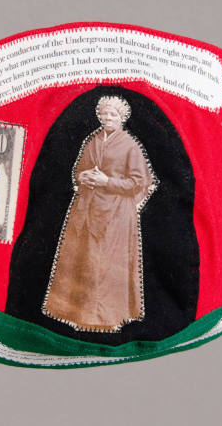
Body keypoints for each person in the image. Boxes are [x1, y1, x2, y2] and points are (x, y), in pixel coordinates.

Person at [42, 96, 157, 332]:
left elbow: (138, 183)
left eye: (112, 115)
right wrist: (81, 177)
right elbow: (79, 170)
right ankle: (75, 313)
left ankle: (104, 318)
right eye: (104, 114)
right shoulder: (92, 140)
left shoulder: (130, 145)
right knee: (82, 260)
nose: (107, 118)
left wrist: (107, 181)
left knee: (105, 265)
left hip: (115, 214)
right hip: (86, 209)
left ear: (122, 118)